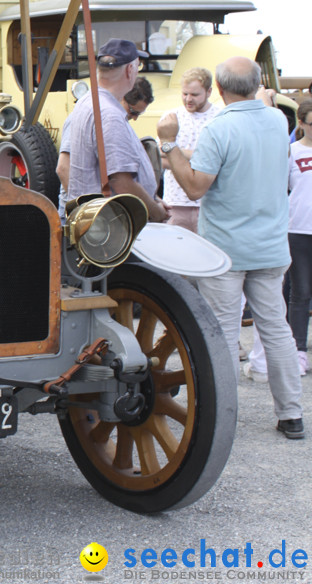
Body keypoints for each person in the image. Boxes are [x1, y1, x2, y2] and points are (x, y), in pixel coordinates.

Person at [160, 56, 304, 440]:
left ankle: (222, 416)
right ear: (257, 85)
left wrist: (168, 143)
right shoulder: (277, 121)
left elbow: (194, 187)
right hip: (271, 245)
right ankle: (291, 413)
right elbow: (266, 112)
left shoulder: (217, 128)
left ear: (219, 90)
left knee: (222, 332)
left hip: (225, 249)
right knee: (276, 329)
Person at [62, 40, 169, 222]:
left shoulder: (87, 102)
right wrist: (157, 213)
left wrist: (153, 198)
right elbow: (121, 182)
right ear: (129, 70)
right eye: (137, 66)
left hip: (98, 221)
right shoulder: (109, 114)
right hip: (110, 226)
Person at [157, 67, 219, 232]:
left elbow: (221, 160)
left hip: (208, 204)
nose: (188, 99)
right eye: (185, 94)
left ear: (209, 91)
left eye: (195, 95)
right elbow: (160, 156)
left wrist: (175, 153)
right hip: (175, 202)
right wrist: (200, 161)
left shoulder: (219, 118)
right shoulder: (171, 116)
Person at [286, 99, 312, 378]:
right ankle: (298, 351)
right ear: (302, 123)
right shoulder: (291, 152)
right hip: (299, 229)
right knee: (300, 292)